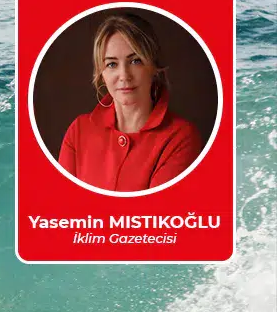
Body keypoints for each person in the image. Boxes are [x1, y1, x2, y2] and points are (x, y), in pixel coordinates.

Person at [58, 11, 203, 192]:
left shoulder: (181, 138)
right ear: (101, 74)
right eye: (111, 64)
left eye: (135, 61)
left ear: (153, 67)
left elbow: (155, 216)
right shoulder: (78, 131)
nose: (124, 76)